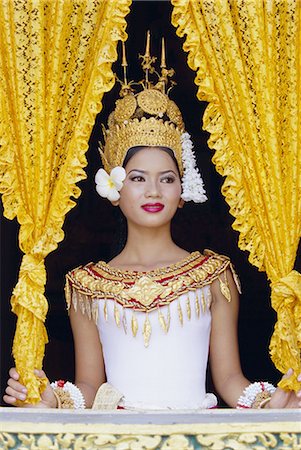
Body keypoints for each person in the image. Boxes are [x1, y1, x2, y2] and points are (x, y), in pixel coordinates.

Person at [3, 41, 301, 411]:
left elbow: (228, 379)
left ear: (182, 189)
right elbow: (91, 385)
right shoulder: (86, 284)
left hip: (197, 432)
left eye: (168, 179)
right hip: (117, 436)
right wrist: (51, 399)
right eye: (138, 179)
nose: (154, 191)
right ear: (114, 190)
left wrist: (273, 402)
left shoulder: (213, 275)